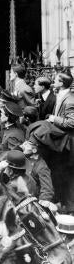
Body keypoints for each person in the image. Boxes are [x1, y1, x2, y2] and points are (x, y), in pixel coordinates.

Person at [47, 72, 74, 213]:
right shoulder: (62, 95)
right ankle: (64, 203)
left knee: (68, 176)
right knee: (62, 174)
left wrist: (53, 118)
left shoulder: (69, 99)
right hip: (62, 142)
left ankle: (69, 207)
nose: (53, 81)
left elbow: (71, 122)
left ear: (62, 83)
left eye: (55, 79)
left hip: (68, 144)